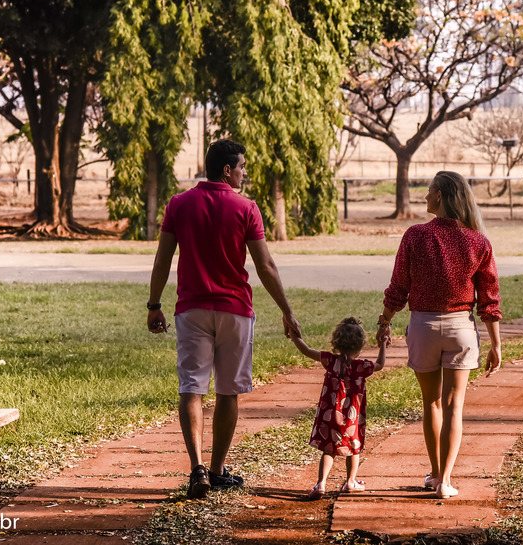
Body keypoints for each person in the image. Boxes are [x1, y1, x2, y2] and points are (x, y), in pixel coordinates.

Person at [146, 139, 301, 499]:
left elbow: (162, 260)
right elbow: (265, 265)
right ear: (227, 170)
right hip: (234, 311)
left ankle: (197, 469)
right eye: (242, 166)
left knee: (192, 387)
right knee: (228, 391)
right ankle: (217, 471)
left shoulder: (178, 204)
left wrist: (154, 304)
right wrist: (286, 310)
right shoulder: (246, 207)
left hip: (191, 309)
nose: (245, 172)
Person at [377, 170, 501, 500]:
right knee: (453, 406)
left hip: (423, 327)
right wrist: (496, 343)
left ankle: (434, 473)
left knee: (430, 403)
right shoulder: (479, 242)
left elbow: (398, 288)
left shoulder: (414, 236)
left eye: (429, 191)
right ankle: (445, 480)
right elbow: (489, 298)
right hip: (461, 328)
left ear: (441, 196)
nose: (425, 196)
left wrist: (384, 320)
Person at [291, 316, 387, 500]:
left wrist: (294, 336)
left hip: (330, 416)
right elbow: (380, 365)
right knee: (354, 447)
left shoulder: (330, 360)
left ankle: (321, 484)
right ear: (360, 346)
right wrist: (382, 344)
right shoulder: (361, 366)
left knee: (329, 450)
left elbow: (305, 350)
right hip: (352, 418)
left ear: (336, 342)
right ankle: (351, 482)